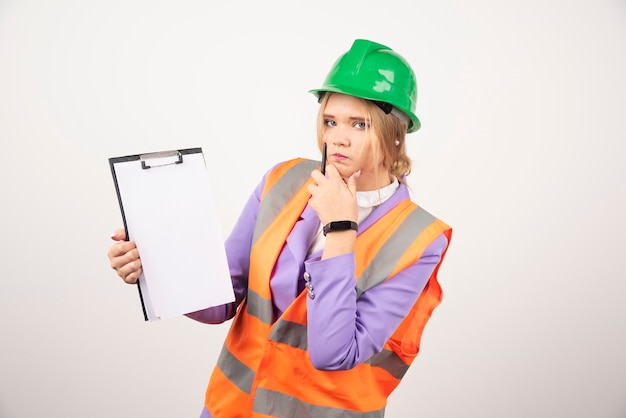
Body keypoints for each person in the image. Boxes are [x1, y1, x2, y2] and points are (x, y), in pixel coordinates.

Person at [108, 38, 452, 418]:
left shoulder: (420, 238)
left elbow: (334, 354)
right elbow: (223, 297)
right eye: (330, 121)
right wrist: (153, 265)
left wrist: (341, 227)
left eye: (359, 124)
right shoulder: (283, 180)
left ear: (396, 132)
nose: (337, 137)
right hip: (232, 409)